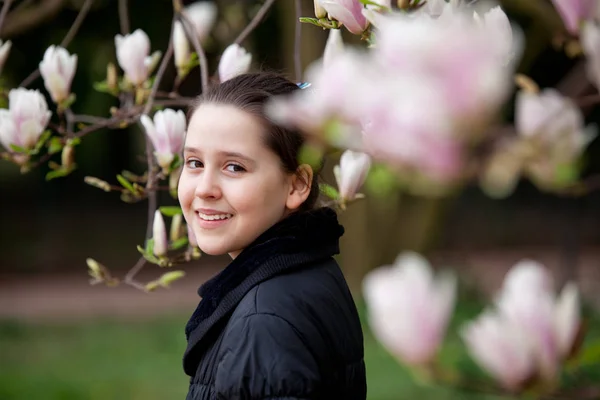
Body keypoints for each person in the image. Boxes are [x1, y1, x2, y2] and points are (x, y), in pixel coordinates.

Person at [178, 72, 367, 400]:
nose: (204, 188)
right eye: (194, 162)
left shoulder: (263, 321)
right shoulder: (308, 270)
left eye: (234, 167)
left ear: (297, 185)